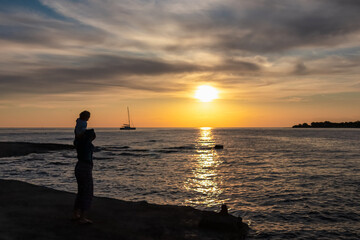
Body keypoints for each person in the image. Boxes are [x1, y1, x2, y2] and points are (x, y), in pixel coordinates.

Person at [73, 115, 96, 224]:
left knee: (81, 191)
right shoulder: (85, 144)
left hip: (79, 166)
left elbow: (78, 134)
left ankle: (76, 214)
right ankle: (82, 217)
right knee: (87, 192)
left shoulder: (79, 142)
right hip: (85, 167)